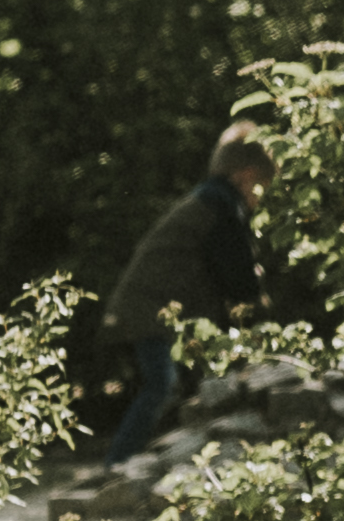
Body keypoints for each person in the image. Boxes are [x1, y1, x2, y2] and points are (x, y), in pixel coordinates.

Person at [99, 128, 269, 458]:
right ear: (247, 177)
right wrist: (258, 299)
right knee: (162, 383)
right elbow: (239, 279)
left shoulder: (211, 198)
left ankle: (163, 458)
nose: (261, 199)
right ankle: (115, 465)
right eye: (263, 188)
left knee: (187, 381)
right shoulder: (221, 206)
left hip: (155, 305)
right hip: (148, 307)